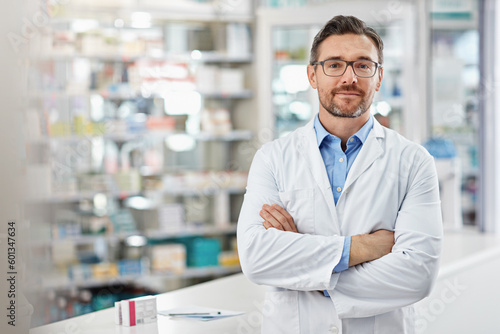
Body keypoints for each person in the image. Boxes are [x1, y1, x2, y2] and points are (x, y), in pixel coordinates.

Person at [237, 15, 442, 334]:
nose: (349, 78)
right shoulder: (273, 158)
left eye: (363, 65)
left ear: (379, 77)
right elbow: (256, 258)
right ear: (312, 75)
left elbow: (418, 275)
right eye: (334, 65)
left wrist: (307, 270)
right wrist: (366, 247)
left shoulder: (413, 161)